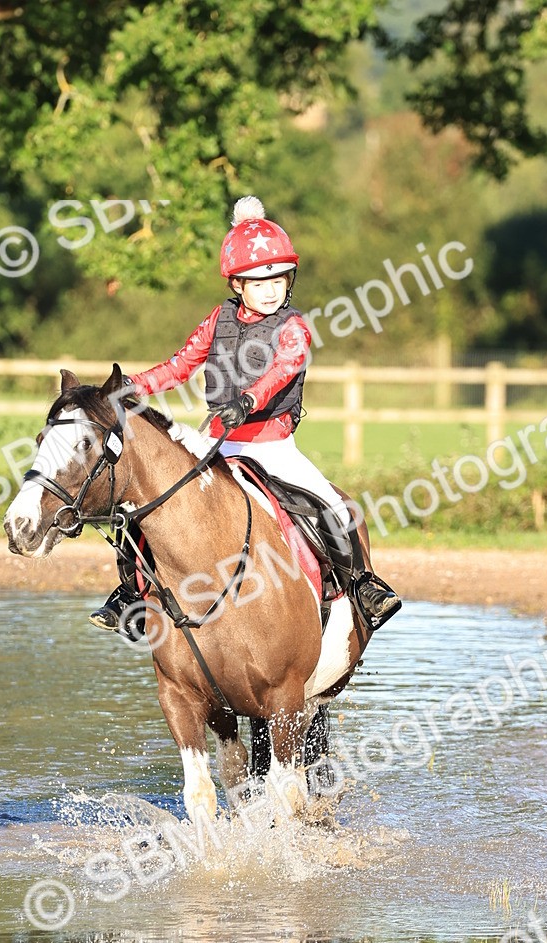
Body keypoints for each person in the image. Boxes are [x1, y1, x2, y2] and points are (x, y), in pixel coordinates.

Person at [90, 195, 401, 635]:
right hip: (215, 441)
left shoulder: (294, 327)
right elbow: (180, 365)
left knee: (331, 506)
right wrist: (132, 387)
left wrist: (247, 402)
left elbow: (280, 372)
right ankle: (130, 597)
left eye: (279, 279)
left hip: (272, 446)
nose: (272, 289)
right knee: (144, 504)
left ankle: (362, 585)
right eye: (259, 281)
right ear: (237, 284)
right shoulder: (218, 320)